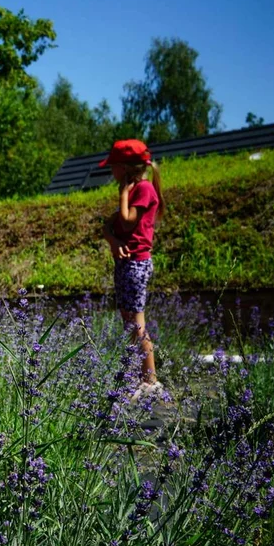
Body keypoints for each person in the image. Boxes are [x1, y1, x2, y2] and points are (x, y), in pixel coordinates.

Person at [98, 139, 165, 402]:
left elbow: (126, 223)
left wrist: (123, 195)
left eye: (113, 167)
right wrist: (113, 242)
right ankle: (134, 376)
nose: (111, 172)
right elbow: (108, 227)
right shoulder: (135, 188)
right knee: (128, 321)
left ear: (125, 168)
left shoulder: (143, 189)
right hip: (125, 262)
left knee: (137, 324)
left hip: (137, 262)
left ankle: (150, 380)